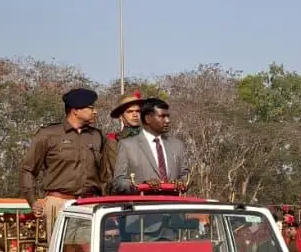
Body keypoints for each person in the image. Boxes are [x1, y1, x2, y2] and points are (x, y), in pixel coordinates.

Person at [19, 88, 107, 237]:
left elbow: (105, 174)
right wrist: (33, 201)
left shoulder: (97, 136)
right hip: (58, 203)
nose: (95, 112)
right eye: (90, 108)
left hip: (90, 204)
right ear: (75, 110)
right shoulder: (48, 134)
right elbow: (27, 170)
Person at [112, 98, 190, 193]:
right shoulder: (127, 145)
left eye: (168, 116)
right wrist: (142, 185)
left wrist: (182, 182)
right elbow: (118, 182)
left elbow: (186, 176)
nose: (167, 120)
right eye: (162, 116)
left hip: (172, 204)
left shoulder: (177, 145)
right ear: (148, 118)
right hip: (143, 205)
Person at [104, 92, 144, 190]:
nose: (135, 115)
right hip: (126, 195)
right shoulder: (114, 140)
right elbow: (119, 173)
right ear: (121, 116)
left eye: (138, 111)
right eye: (130, 111)